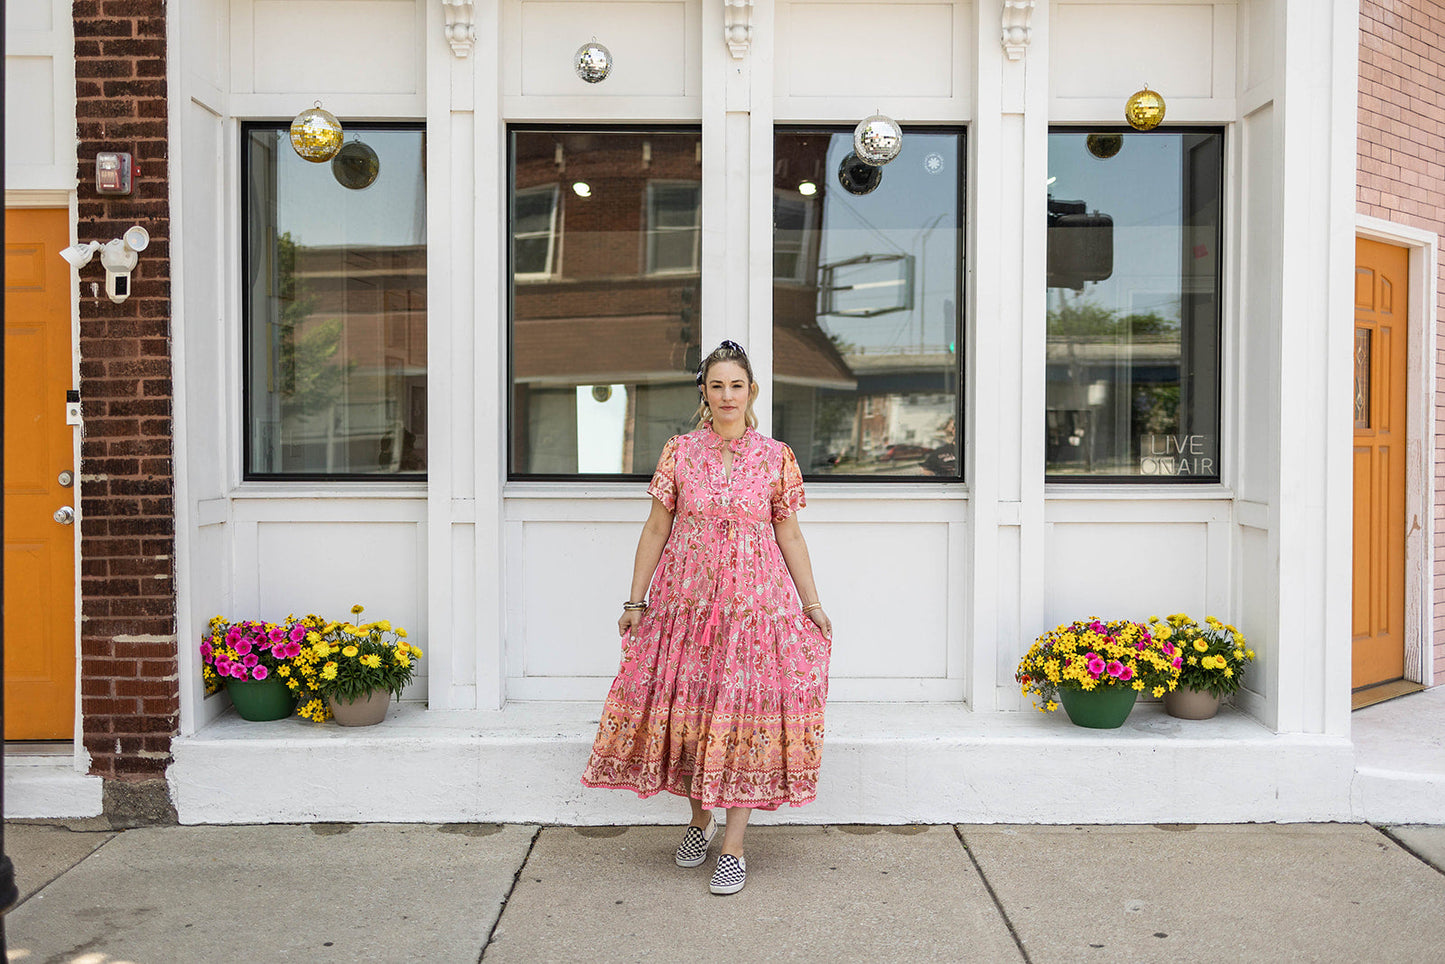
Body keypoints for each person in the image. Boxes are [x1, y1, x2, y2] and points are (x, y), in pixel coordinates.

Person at [580, 340, 833, 896]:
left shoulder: (775, 457)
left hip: (753, 610)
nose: (726, 396)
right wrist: (634, 600)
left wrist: (811, 604)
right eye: (716, 385)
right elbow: (656, 528)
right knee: (692, 715)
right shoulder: (680, 452)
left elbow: (788, 532)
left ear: (751, 392)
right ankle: (700, 820)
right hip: (687, 607)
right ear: (704, 392)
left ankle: (735, 847)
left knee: (743, 719)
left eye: (736, 385)